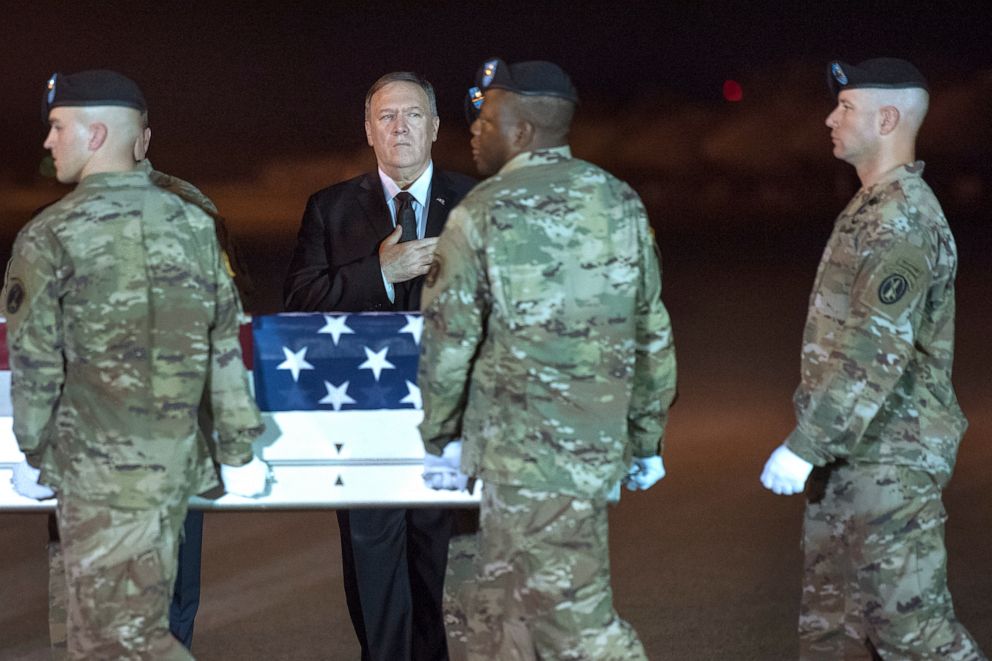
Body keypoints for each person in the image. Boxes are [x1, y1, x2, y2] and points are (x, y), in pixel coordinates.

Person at [417, 58, 677, 660]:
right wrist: (645, 438)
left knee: (576, 625)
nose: (475, 130)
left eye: (486, 119)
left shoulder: (482, 211)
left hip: (522, 456)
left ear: (522, 131)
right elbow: (652, 332)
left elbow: (449, 339)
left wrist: (439, 432)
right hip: (592, 444)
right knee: (499, 622)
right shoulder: (620, 204)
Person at [5, 69, 269, 659]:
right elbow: (224, 347)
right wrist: (238, 452)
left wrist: (31, 451)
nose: (48, 144)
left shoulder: (49, 235)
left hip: (96, 474)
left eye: (57, 127)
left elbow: (35, 362)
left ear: (95, 134)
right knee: (142, 622)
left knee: (111, 639)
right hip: (174, 464)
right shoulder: (196, 225)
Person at [760, 58, 985, 659]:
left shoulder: (901, 216)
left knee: (914, 635)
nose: (831, 118)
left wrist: (805, 445)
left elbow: (875, 348)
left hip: (890, 459)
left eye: (847, 107)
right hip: (851, 456)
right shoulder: (872, 206)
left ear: (888, 118)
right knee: (833, 633)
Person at [283, 71, 474, 661]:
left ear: (436, 127)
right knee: (373, 571)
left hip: (455, 425)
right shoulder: (331, 208)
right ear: (368, 130)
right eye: (386, 116)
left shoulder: (478, 204)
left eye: (413, 115)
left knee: (443, 571)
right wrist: (379, 274)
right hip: (365, 423)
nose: (400, 127)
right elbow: (297, 304)